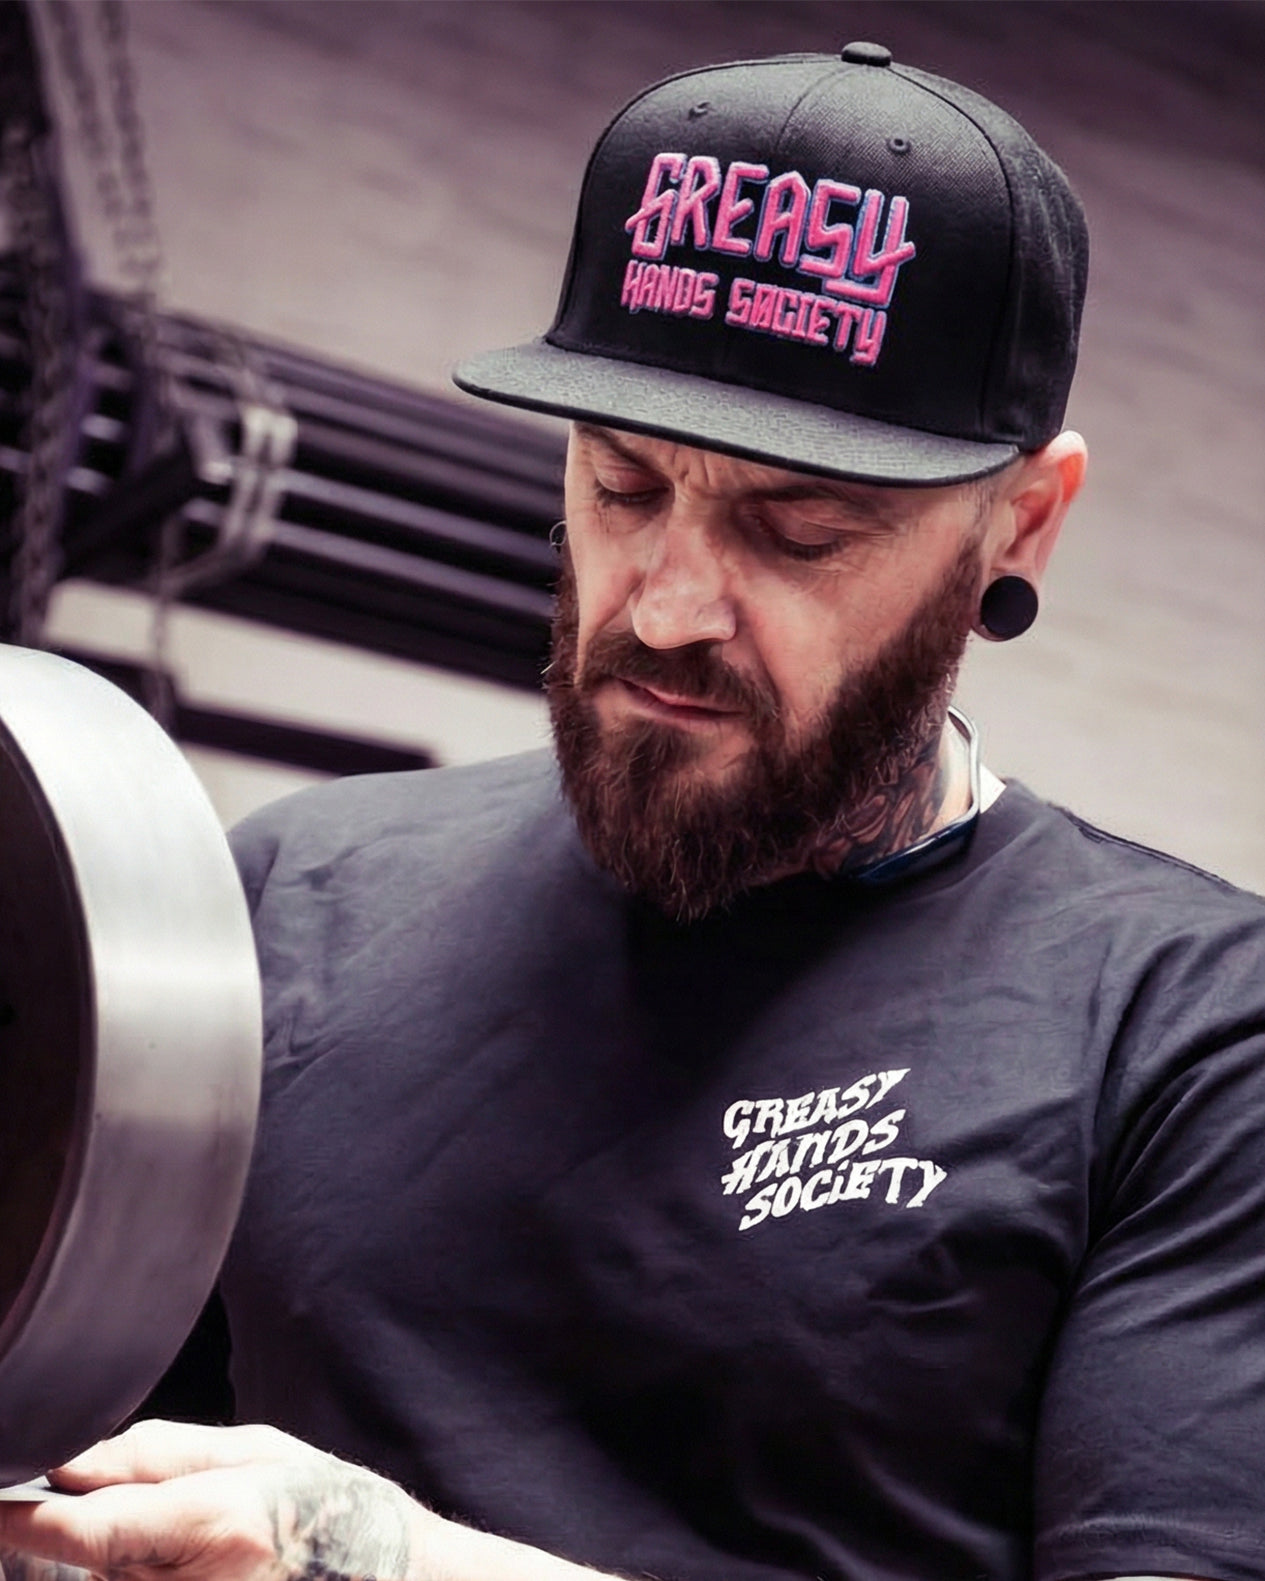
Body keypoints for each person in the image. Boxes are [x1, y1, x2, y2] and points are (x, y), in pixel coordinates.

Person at [3, 40, 1264, 1581]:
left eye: (799, 531)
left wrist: (382, 1560)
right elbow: (90, 1477)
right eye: (622, 486)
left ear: (1022, 522)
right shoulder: (284, 900)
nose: (665, 606)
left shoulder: (1192, 1034)